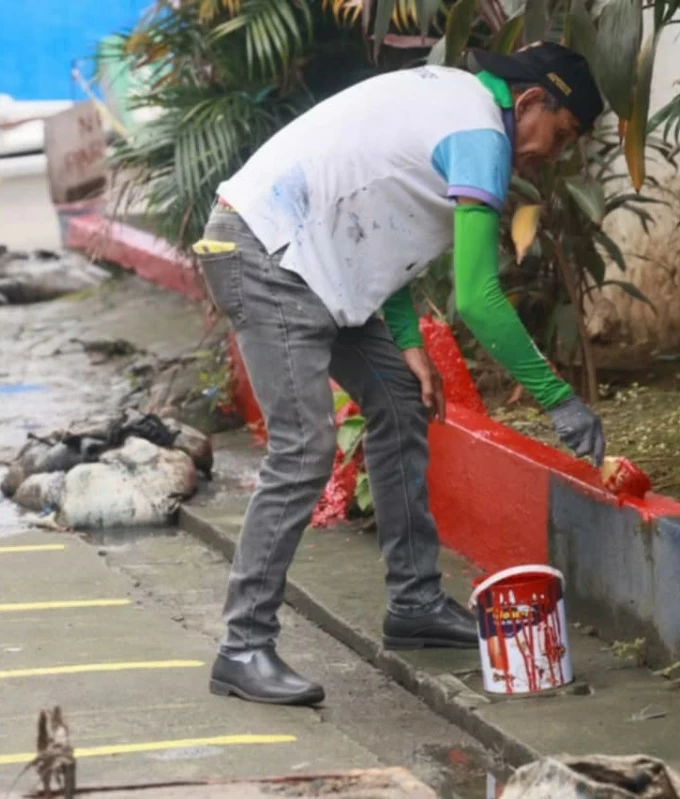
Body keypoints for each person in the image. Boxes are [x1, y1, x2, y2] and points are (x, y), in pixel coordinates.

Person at [195, 42, 607, 706]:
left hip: (308, 256)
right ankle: (242, 646)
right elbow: (479, 300)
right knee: (304, 450)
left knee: (398, 398)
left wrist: (408, 339)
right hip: (269, 253)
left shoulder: (452, 97)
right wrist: (560, 400)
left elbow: (376, 214)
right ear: (531, 101)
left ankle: (414, 604)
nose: (551, 155)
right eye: (558, 135)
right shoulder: (481, 135)